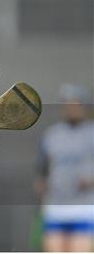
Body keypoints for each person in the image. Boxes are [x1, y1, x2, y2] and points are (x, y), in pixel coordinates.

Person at [35, 84, 94, 252]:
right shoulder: (52, 135)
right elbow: (42, 168)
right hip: (56, 205)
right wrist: (41, 186)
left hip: (84, 205)